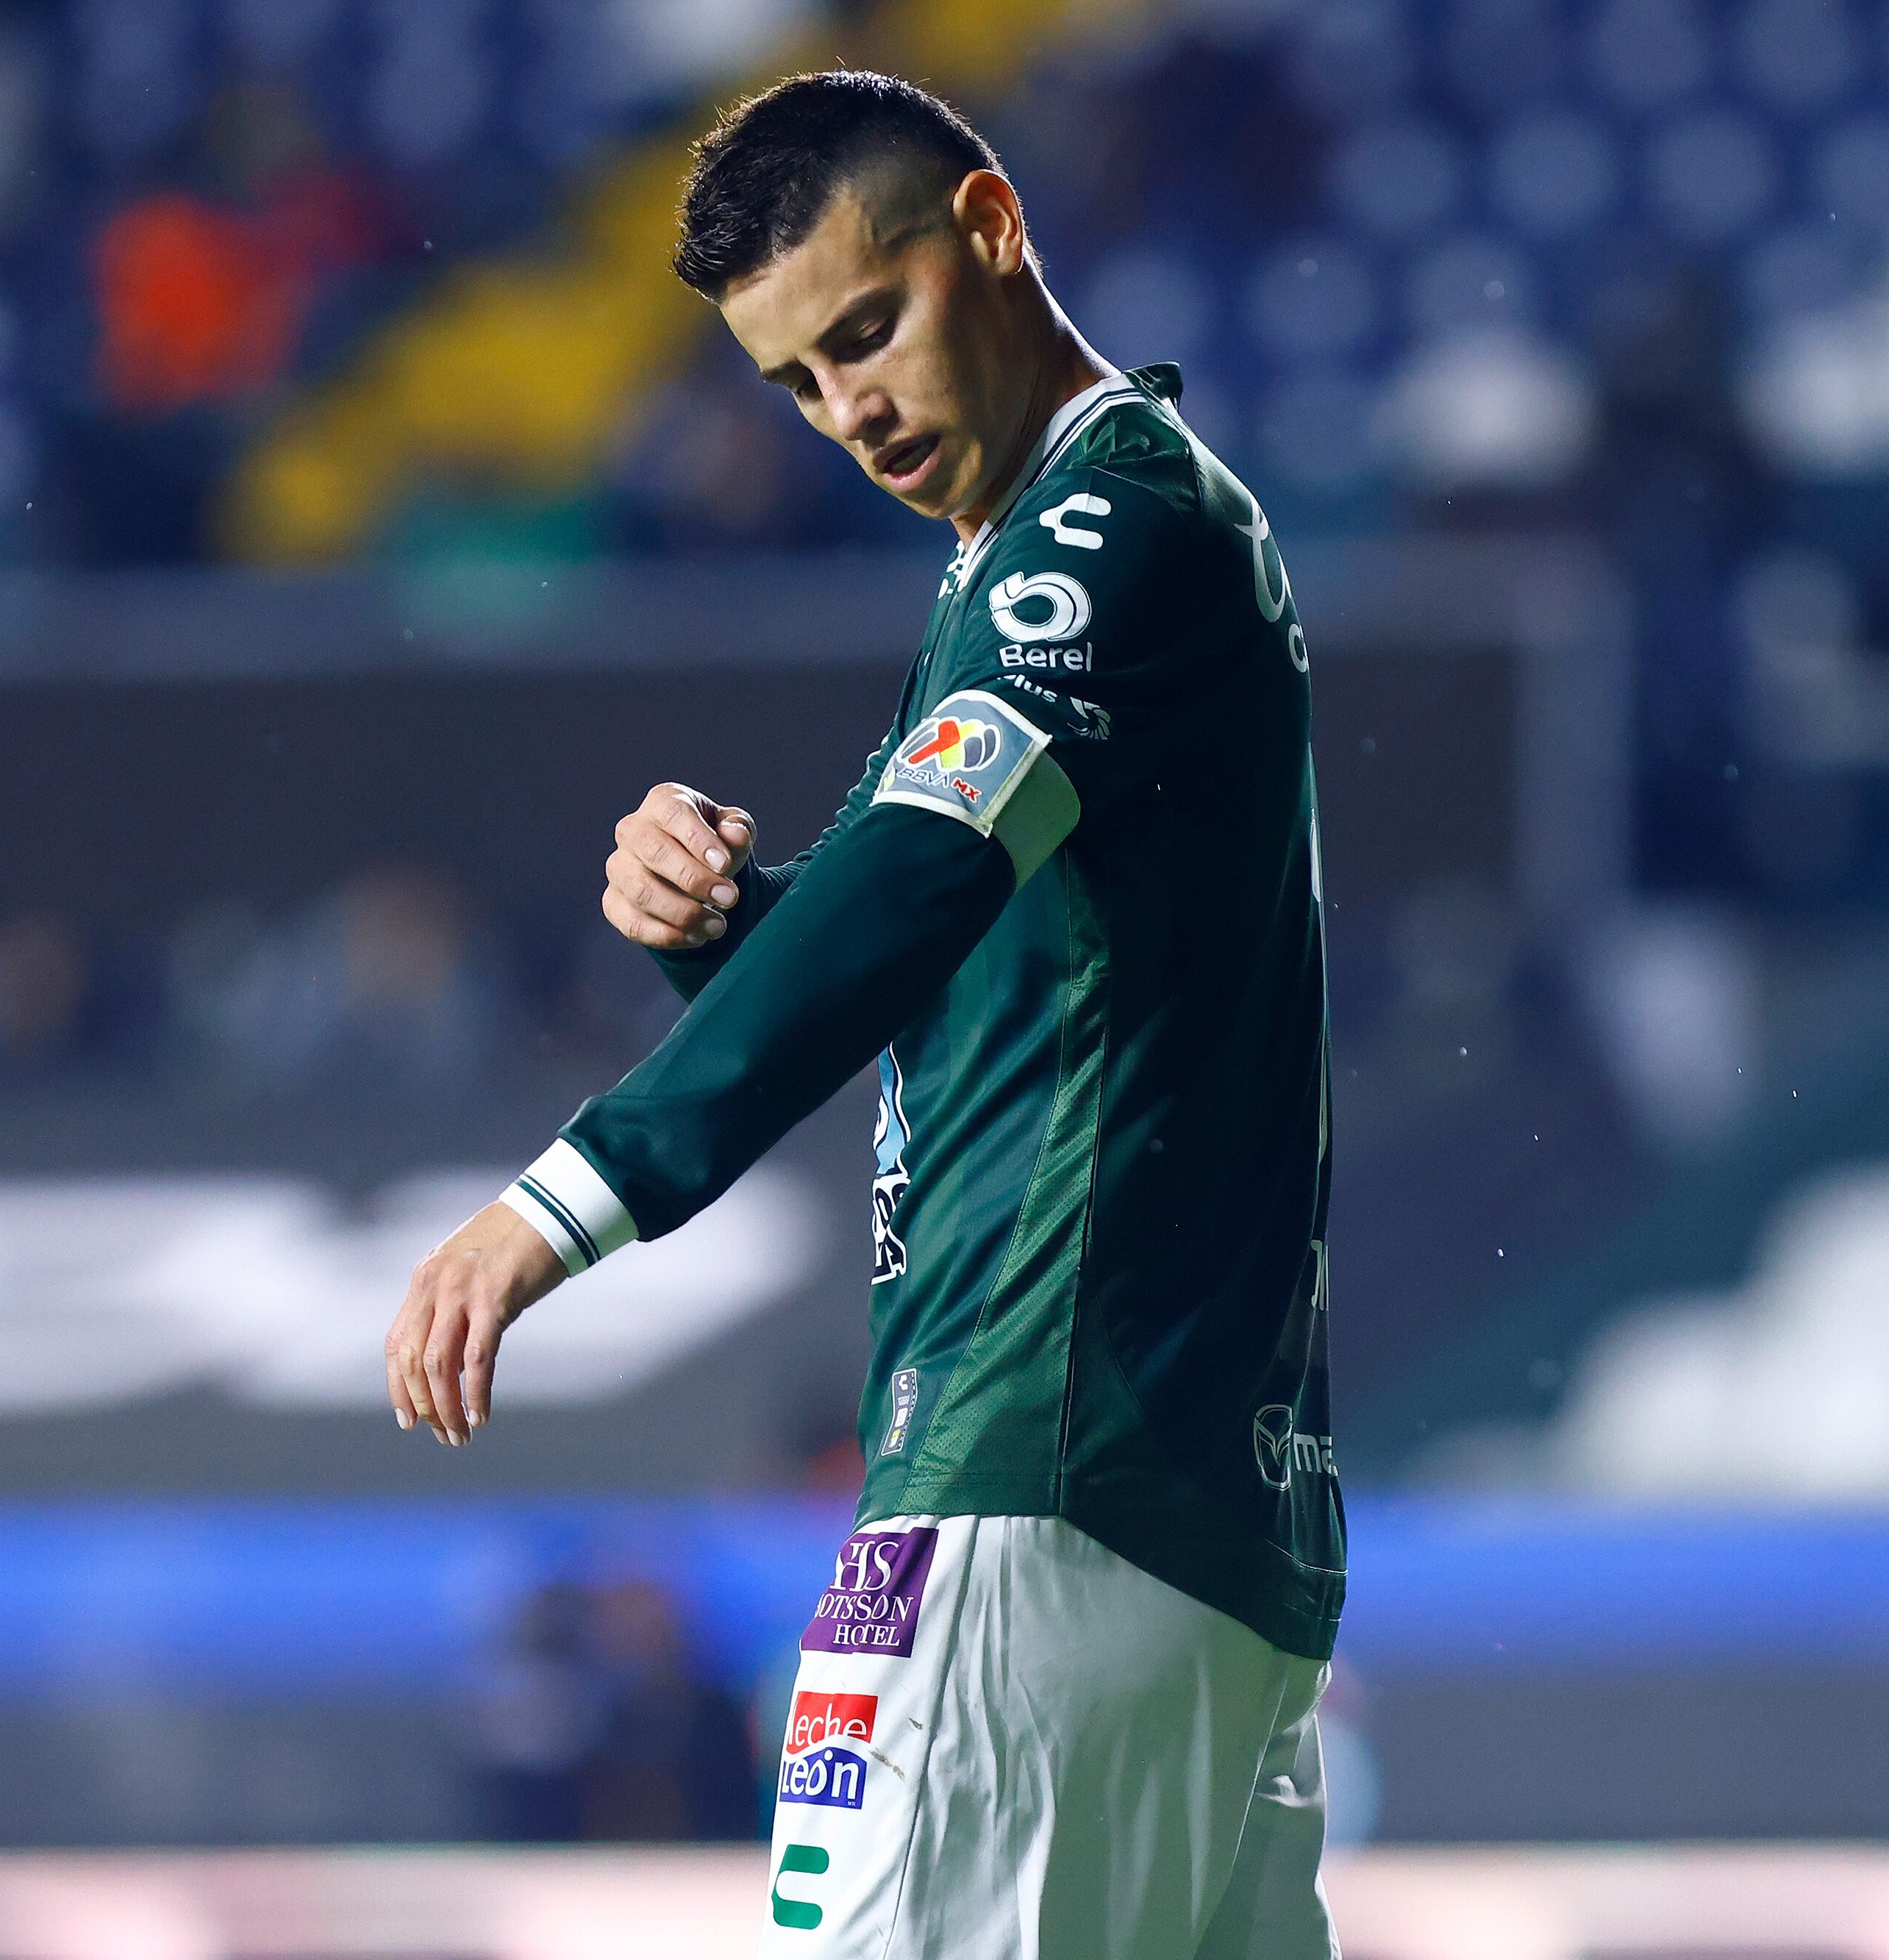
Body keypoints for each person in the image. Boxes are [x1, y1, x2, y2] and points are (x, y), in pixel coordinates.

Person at [379, 70, 1343, 1957]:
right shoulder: (1048, 559)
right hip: (1204, 1532)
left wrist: (572, 1194)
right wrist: (732, 926)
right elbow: (965, 960)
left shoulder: (1101, 534)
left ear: (987, 229)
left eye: (866, 330)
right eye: (799, 385)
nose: (853, 414)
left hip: (1033, 1487)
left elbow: (909, 883)